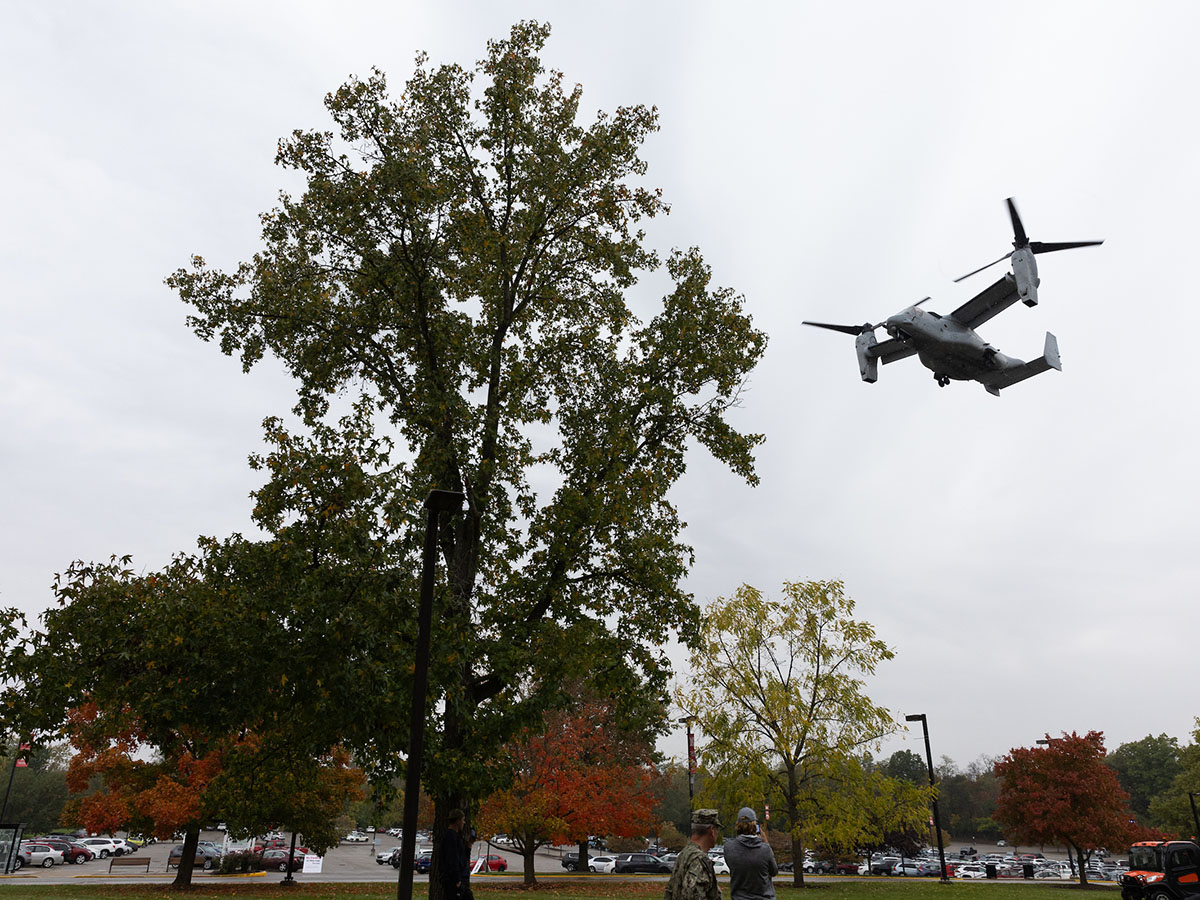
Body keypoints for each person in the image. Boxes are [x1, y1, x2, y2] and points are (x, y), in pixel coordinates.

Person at [665, 809, 723, 900]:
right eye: (717, 829)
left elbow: (669, 891)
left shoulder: (684, 854)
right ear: (712, 831)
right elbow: (693, 895)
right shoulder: (698, 860)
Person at [723, 807, 777, 900]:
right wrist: (766, 843)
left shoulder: (729, 848)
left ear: (738, 825)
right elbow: (774, 871)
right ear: (755, 826)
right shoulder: (765, 849)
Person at [440, 809, 473, 900]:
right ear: (458, 821)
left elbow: (462, 858)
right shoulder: (450, 837)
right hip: (455, 881)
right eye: (463, 820)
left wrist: (469, 846)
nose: (464, 822)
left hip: (459, 880)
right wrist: (457, 880)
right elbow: (452, 859)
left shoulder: (455, 837)